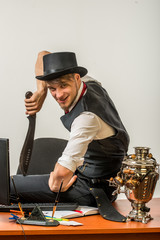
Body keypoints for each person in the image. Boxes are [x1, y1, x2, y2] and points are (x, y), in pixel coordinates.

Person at [11, 51, 129, 221]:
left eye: (63, 86)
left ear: (76, 78)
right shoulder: (89, 82)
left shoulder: (86, 118)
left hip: (93, 189)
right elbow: (42, 55)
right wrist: (41, 90)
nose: (58, 95)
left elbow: (58, 180)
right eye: (53, 88)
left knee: (5, 187)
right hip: (94, 173)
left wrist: (57, 179)